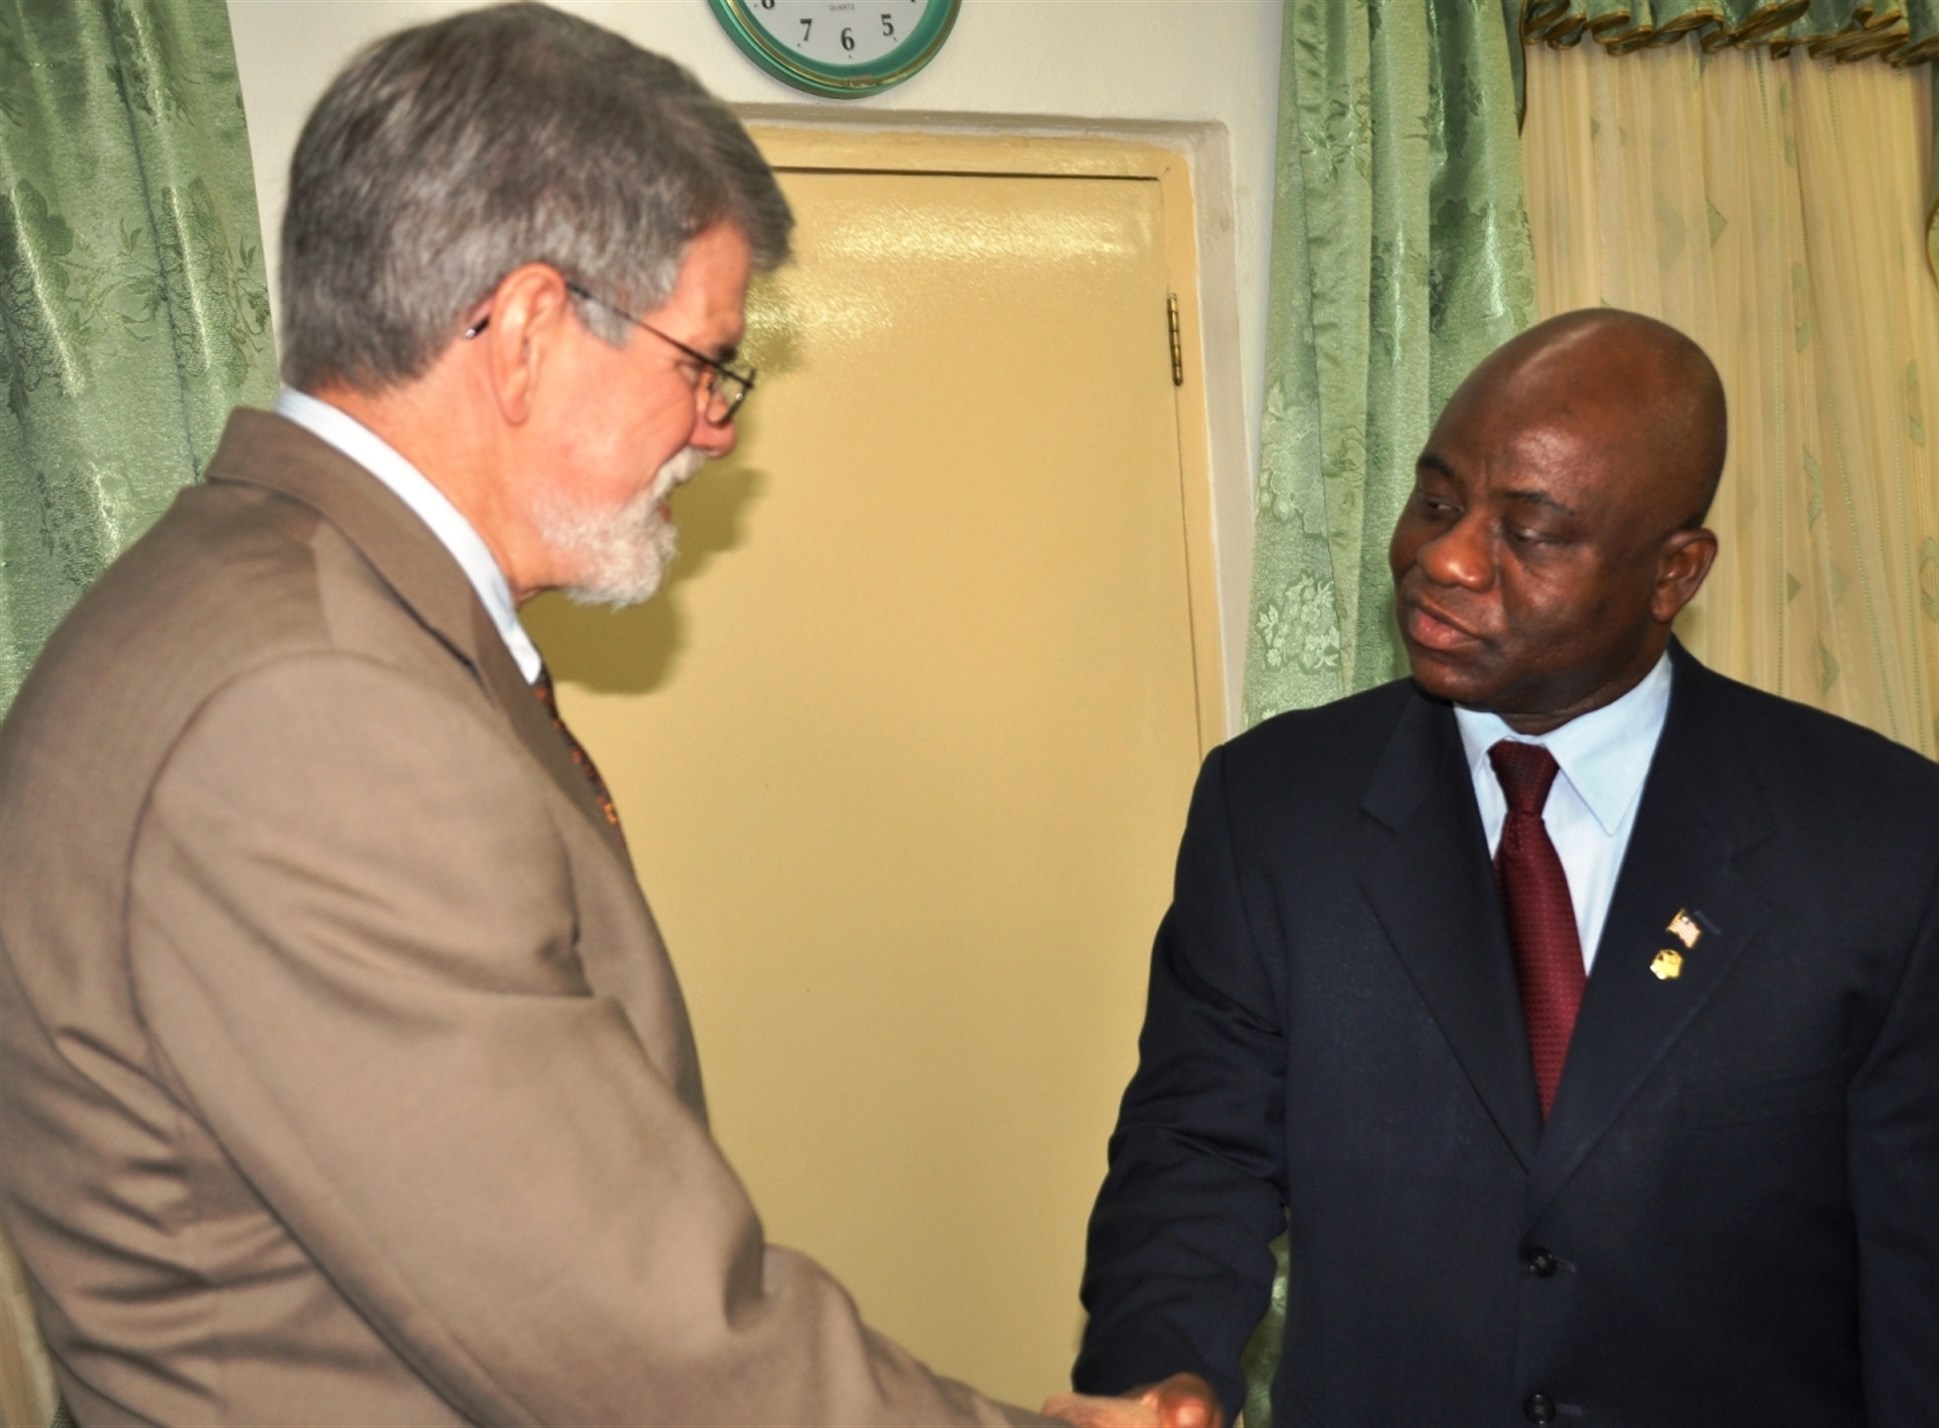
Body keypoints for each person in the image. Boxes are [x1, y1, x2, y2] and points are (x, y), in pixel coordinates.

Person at [0, 6, 1124, 1423]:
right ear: (529, 331)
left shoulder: (250, 593)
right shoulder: (318, 707)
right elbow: (639, 1349)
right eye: (702, 361)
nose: (716, 428)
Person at [1067, 309, 1939, 1426]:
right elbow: (1191, 1151)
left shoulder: (1882, 841)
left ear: (1672, 574)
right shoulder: (1271, 809)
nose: (1443, 560)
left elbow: (1938, 1275)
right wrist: (1158, 1370)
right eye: (1437, 500)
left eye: (1530, 533)